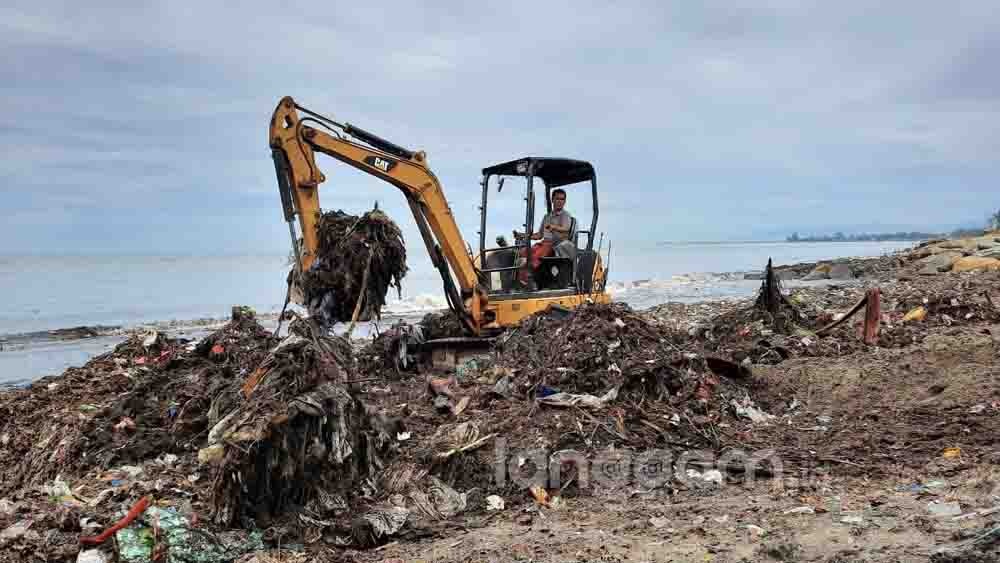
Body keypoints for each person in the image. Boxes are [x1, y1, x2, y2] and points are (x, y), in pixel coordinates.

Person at [516, 188, 575, 287]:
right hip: (544, 243)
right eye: (557, 199)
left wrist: (554, 227)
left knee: (536, 256)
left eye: (562, 199)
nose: (560, 201)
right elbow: (539, 235)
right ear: (552, 200)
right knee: (523, 252)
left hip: (556, 244)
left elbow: (566, 229)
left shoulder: (565, 215)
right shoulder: (547, 217)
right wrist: (523, 235)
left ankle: (530, 279)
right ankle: (520, 279)